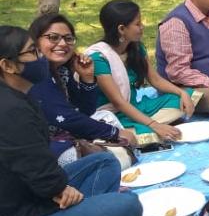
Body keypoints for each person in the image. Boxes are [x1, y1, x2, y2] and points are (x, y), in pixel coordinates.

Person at [0, 26, 142, 216]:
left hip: (33, 197)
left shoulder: (21, 95)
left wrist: (57, 189)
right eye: (33, 52)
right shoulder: (10, 109)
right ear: (8, 65)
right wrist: (59, 189)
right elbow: (33, 164)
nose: (40, 58)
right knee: (127, 206)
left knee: (103, 162)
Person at [26, 14, 137, 164]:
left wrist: (87, 78)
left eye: (68, 38)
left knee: (113, 137)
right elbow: (66, 118)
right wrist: (114, 133)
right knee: (114, 160)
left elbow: (85, 110)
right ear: (36, 42)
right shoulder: (37, 74)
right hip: (40, 147)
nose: (63, 43)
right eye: (53, 37)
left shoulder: (62, 71)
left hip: (67, 134)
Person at [87, 0, 194, 142]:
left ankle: (148, 128)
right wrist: (154, 125)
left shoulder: (136, 48)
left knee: (187, 97)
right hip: (114, 115)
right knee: (142, 133)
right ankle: (147, 130)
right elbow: (118, 102)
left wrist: (181, 93)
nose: (142, 27)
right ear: (121, 29)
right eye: (137, 24)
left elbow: (155, 80)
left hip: (136, 107)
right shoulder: (99, 59)